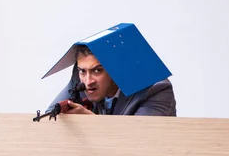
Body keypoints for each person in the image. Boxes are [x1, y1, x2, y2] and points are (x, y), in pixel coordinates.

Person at [47, 45, 177, 116]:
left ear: (116, 70)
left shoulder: (156, 89)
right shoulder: (80, 82)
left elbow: (140, 139)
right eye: (83, 71)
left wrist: (91, 123)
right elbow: (48, 116)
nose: (88, 81)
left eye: (97, 70)